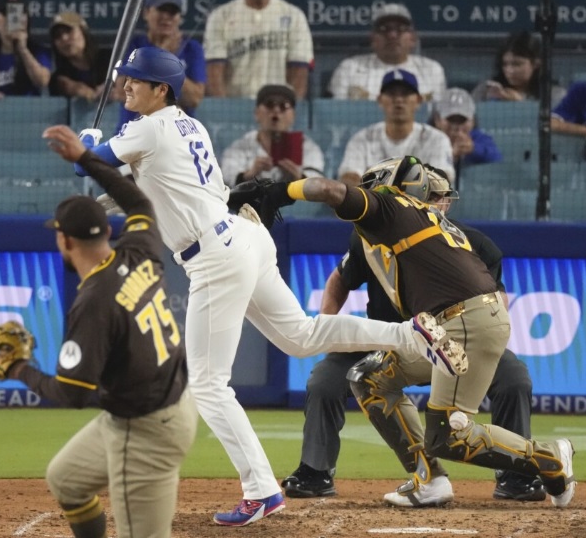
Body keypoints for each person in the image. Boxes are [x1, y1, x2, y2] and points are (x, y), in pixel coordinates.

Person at [62, 46, 467, 526]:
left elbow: (83, 163)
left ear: (161, 89)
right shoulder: (188, 125)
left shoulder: (147, 127)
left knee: (208, 385)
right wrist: (100, 167)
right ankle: (409, 334)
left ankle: (259, 490)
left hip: (216, 252)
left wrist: (89, 148)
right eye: (125, 78)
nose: (126, 85)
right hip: (243, 237)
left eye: (135, 79)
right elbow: (152, 186)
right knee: (301, 336)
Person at [262, 157, 577, 508]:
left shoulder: (394, 210)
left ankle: (548, 459)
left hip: (460, 325)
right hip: (430, 333)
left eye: (375, 185)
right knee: (370, 377)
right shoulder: (426, 224)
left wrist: (279, 191)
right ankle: (429, 479)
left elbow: (327, 189)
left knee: (451, 437)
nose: (368, 193)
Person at [0, 130, 199, 538]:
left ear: (64, 241)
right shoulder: (139, 247)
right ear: (107, 232)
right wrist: (86, 157)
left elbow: (72, 392)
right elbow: (139, 202)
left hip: (143, 432)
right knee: (66, 479)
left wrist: (17, 367)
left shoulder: (93, 304)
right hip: (172, 405)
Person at [337, 69, 455, 186]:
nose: (398, 100)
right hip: (373, 205)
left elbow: (441, 181)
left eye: (405, 93)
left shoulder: (436, 139)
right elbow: (348, 178)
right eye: (391, 93)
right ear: (380, 100)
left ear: (418, 101)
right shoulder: (362, 139)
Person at [114, 0, 205, 132]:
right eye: (161, 9)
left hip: (176, 135)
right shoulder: (134, 45)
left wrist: (168, 59)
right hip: (133, 132)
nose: (166, 17)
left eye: (173, 12)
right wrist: (163, 57)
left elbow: (194, 99)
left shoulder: (192, 48)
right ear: (146, 13)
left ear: (179, 18)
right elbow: (121, 92)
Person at [203, 0, 313, 100]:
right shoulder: (220, 16)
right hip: (236, 106)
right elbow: (214, 72)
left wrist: (289, 111)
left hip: (276, 109)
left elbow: (299, 73)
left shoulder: (294, 16)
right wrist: (224, 111)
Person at [328, 3, 446, 103]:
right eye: (384, 29)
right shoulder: (349, 68)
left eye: (400, 28)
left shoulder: (432, 70)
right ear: (373, 38)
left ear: (413, 39)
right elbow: (333, 116)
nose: (392, 35)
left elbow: (441, 118)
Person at [221, 83, 325, 187]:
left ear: (293, 116)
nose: (276, 110)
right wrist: (249, 174)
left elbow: (318, 183)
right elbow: (227, 178)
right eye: (269, 104)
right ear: (256, 113)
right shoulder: (241, 146)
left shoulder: (307, 147)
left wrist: (299, 177)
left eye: (284, 106)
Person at [471, 31, 566, 105]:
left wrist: (520, 103)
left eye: (517, 64)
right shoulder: (485, 90)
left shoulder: (554, 95)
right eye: (505, 64)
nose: (510, 70)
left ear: (536, 63)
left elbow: (556, 124)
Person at [431, 87, 502, 172]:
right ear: (437, 120)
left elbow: (497, 158)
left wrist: (473, 149)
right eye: (451, 119)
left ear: (472, 121)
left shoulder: (479, 138)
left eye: (462, 120)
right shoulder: (427, 139)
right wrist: (448, 156)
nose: (456, 126)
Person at [48, 11, 111, 100]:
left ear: (83, 31)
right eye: (57, 36)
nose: (64, 38)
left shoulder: (110, 58)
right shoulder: (59, 77)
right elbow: (73, 88)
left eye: (69, 30)